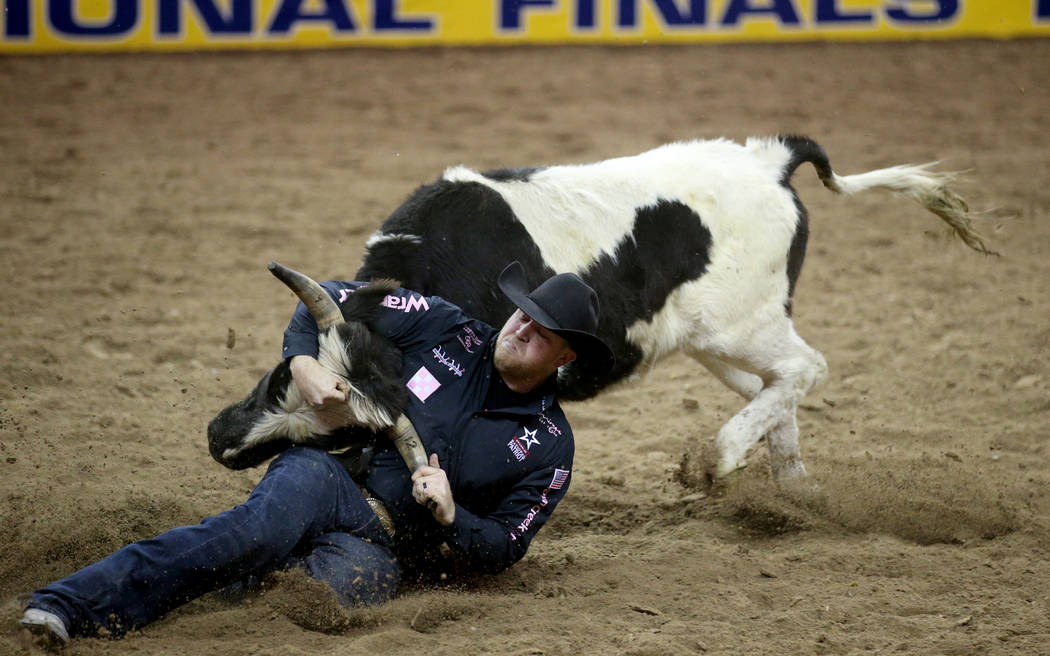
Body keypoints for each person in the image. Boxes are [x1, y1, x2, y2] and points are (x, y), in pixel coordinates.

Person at [19, 261, 614, 647]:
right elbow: (328, 297)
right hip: (328, 477)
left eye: (540, 334)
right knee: (252, 533)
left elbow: (506, 547)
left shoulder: (550, 448)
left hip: (383, 546)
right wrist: (303, 362)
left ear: (564, 359)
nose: (519, 331)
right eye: (520, 315)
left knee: (311, 601)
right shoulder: (448, 329)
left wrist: (454, 515)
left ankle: (200, 590)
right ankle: (66, 603)